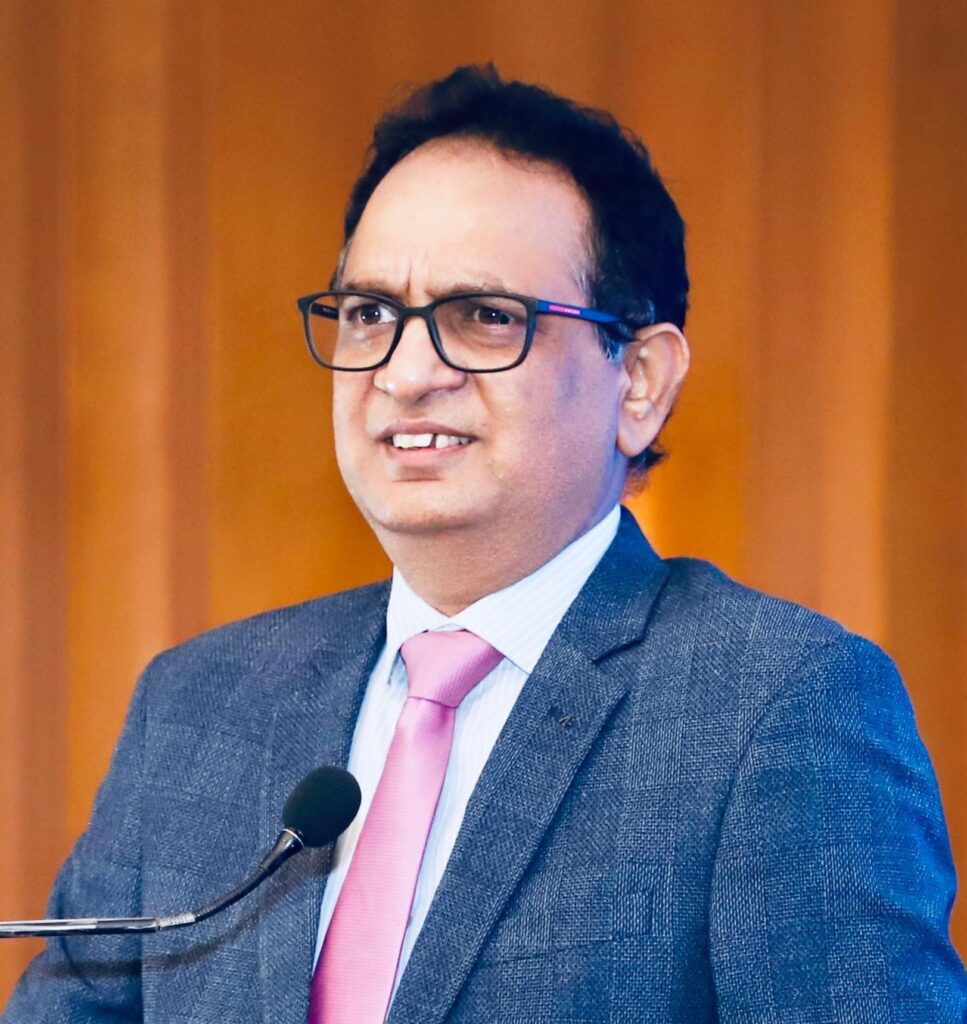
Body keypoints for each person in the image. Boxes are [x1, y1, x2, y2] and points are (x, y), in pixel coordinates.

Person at [3, 64, 965, 1023]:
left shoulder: (775, 705)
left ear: (638, 381)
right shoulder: (199, 705)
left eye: (485, 317)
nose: (405, 372)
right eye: (371, 314)